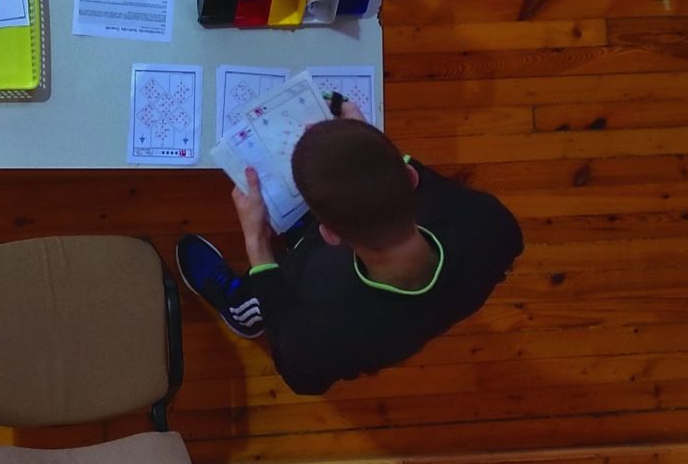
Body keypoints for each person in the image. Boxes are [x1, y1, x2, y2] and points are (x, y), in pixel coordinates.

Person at [176, 100, 523, 396]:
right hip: (426, 307)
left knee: (275, 288)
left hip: (309, 312)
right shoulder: (490, 222)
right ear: (410, 177)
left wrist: (257, 243)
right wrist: (368, 150)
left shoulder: (322, 329)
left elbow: (298, 377)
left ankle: (245, 309)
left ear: (328, 234)